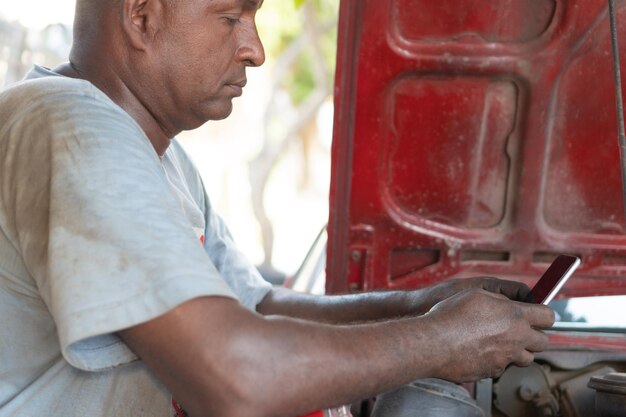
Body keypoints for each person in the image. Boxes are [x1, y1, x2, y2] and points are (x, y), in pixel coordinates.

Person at [0, 0, 555, 416]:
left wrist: (421, 305)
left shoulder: (160, 155)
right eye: (230, 17)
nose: (255, 49)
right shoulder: (73, 128)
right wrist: (439, 342)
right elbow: (232, 376)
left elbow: (257, 305)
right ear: (142, 17)